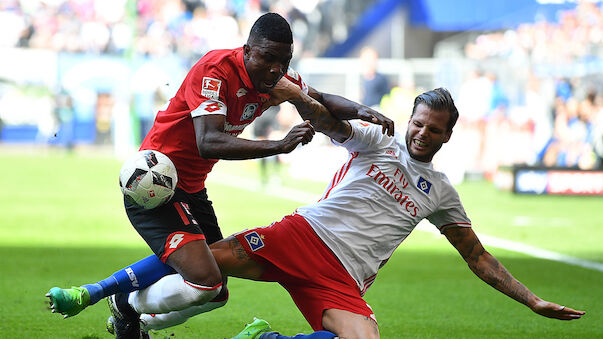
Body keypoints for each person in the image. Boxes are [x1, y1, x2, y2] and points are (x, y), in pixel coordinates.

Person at [54, 86, 584, 339]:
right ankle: (122, 305)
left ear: (448, 134)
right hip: (303, 235)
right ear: (411, 119)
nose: (423, 132)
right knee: (201, 265)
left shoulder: (442, 191)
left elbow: (479, 258)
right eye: (419, 122)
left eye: (435, 128)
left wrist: (532, 300)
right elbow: (326, 120)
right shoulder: (377, 141)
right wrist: (291, 90)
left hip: (343, 277)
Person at [46, 12, 393, 338]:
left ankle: (128, 313)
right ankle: (122, 303)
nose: (274, 70)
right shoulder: (215, 70)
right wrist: (278, 145)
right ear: (247, 50)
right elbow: (208, 141)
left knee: (215, 292)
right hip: (157, 184)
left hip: (192, 190)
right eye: (267, 58)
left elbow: (317, 98)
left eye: (283, 63)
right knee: (205, 279)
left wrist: (361, 110)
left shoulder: (275, 80)